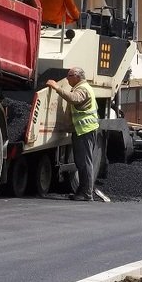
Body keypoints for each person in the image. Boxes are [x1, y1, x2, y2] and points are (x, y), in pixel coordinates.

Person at [46, 66, 100, 201]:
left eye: (69, 76)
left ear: (77, 77)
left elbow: (74, 99)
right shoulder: (82, 87)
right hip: (83, 130)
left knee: (84, 163)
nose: (67, 78)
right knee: (82, 162)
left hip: (85, 130)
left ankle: (86, 194)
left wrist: (57, 88)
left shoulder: (82, 89)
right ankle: (82, 192)